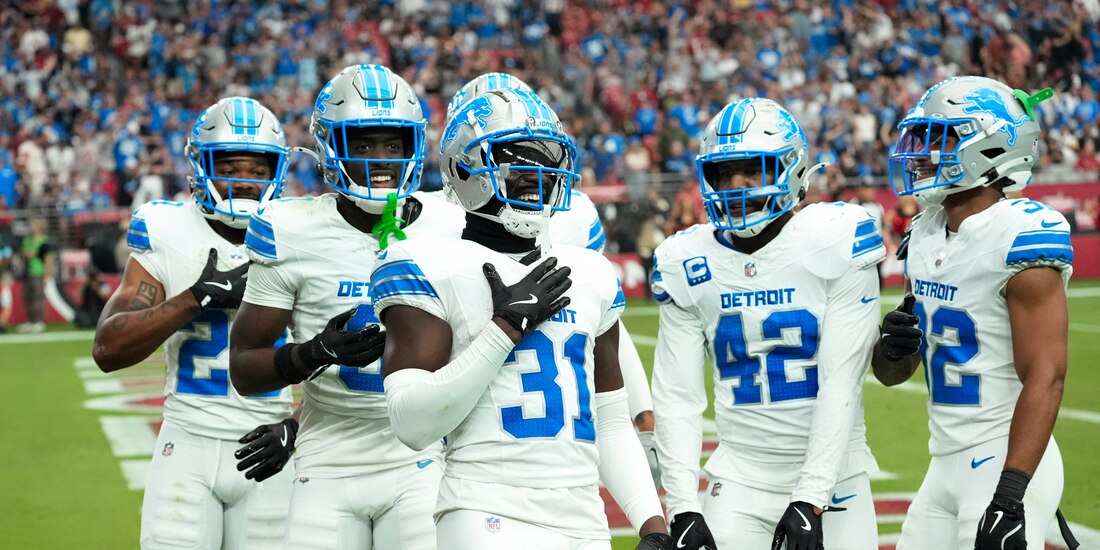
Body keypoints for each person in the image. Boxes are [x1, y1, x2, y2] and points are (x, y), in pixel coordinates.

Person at [374, 88, 672, 550]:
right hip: (485, 511)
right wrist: (505, 328)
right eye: (515, 158)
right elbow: (411, 422)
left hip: (583, 516)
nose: (537, 174)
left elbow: (610, 422)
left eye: (546, 158)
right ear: (464, 167)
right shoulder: (427, 263)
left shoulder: (589, 272)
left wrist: (653, 525)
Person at [228, 64, 464, 550]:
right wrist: (314, 352)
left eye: (393, 144)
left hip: (421, 455)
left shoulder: (453, 223)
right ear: (330, 146)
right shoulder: (291, 229)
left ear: (414, 147)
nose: (380, 160)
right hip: (328, 455)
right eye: (363, 144)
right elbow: (244, 367)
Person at [651, 98, 884, 550]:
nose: (735, 185)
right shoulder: (687, 260)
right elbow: (677, 398)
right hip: (738, 477)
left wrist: (810, 497)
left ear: (790, 169)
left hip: (836, 478)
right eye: (724, 172)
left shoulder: (833, 238)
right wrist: (681, 507)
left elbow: (841, 381)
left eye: (752, 170)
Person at [874, 77, 1072, 550]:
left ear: (989, 146)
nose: (921, 153)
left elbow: (1046, 375)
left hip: (1005, 458)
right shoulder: (923, 232)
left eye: (940, 138)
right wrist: (893, 347)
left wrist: (1010, 495)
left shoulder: (1020, 233)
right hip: (942, 460)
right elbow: (893, 374)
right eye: (922, 138)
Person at [91, 97, 296, 549]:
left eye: (257, 170)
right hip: (187, 444)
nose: (243, 182)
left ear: (276, 173)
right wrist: (196, 297)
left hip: (271, 444)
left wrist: (298, 425)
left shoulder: (302, 234)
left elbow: (339, 358)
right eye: (230, 167)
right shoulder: (168, 228)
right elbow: (107, 348)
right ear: (201, 166)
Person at [446, 72, 661, 484]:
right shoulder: (429, 218)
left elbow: (603, 322)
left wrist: (641, 412)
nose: (526, 163)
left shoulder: (573, 211)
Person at [19, 217, 51, 332]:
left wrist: (47, 275)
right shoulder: (27, 239)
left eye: (33, 225)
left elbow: (48, 259)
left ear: (39, 227)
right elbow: (23, 253)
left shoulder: (43, 241)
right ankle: (30, 321)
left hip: (38, 272)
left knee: (38, 298)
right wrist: (28, 254)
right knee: (27, 297)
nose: (31, 227)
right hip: (27, 272)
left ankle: (39, 321)